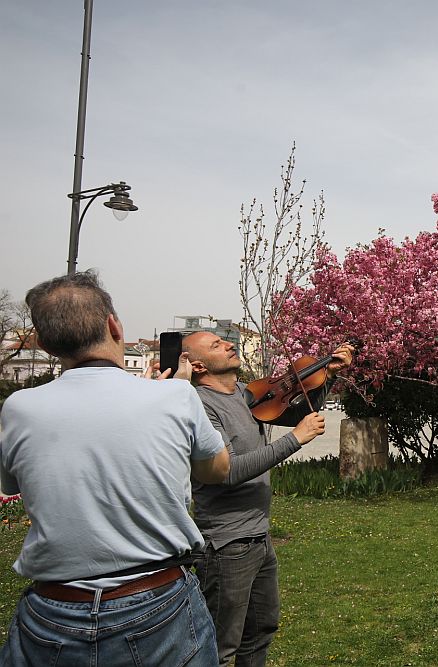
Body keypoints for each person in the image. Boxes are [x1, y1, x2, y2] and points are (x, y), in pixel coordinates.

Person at [0, 271, 230, 666]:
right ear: (114, 325)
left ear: (42, 343)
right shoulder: (175, 395)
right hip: (158, 603)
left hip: (53, 610)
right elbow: (217, 469)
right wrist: (170, 395)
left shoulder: (19, 408)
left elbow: (15, 482)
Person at [183, 331, 353, 667]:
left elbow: (300, 411)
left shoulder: (245, 395)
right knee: (219, 647)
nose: (229, 345)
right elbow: (226, 471)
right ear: (198, 365)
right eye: (216, 345)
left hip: (258, 537)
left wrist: (327, 375)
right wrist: (295, 441)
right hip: (226, 544)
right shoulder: (201, 407)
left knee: (260, 631)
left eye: (225, 340)